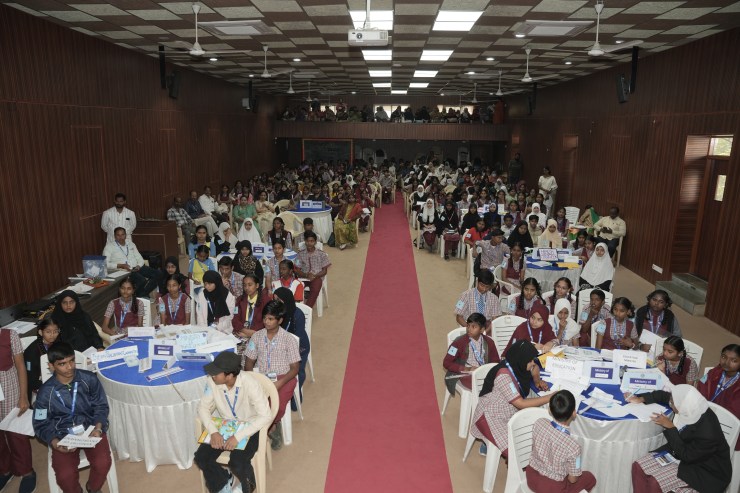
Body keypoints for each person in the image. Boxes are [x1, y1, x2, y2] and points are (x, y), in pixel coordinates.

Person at [33, 342, 111, 493]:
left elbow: (101, 406)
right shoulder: (44, 393)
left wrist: (98, 428)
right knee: (65, 476)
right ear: (51, 366)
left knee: (103, 463)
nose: (69, 367)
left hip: (90, 427)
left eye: (71, 361)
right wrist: (55, 442)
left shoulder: (89, 379)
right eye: (62, 364)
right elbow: (40, 423)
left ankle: (93, 488)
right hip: (62, 435)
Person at [628, 385, 731, 493]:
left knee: (655, 482)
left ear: (683, 405)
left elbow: (687, 456)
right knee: (638, 467)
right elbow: (665, 396)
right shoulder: (689, 407)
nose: (670, 404)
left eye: (672, 403)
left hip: (704, 471)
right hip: (681, 450)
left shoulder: (708, 433)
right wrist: (641, 398)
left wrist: (670, 427)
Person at [195, 351, 271, 493]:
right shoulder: (212, 382)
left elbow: (266, 415)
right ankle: (223, 483)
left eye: (216, 373)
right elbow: (202, 407)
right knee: (201, 458)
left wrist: (238, 436)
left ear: (229, 375)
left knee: (237, 462)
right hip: (226, 425)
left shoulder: (250, 384)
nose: (212, 375)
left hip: (250, 427)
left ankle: (249, 485)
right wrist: (214, 432)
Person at [470, 340, 551, 457]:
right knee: (518, 453)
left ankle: (491, 443)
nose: (533, 363)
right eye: (530, 361)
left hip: (509, 410)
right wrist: (550, 397)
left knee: (534, 439)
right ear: (521, 360)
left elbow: (535, 368)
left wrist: (537, 380)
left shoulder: (518, 364)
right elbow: (521, 403)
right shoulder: (504, 376)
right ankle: (489, 442)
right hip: (491, 415)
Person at [243, 301, 301, 451]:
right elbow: (249, 362)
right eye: (265, 318)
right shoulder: (256, 337)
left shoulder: (288, 339)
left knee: (276, 406)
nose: (266, 322)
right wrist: (251, 380)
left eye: (270, 319)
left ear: (280, 320)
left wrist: (280, 383)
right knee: (250, 403)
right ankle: (267, 425)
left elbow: (295, 369)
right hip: (262, 377)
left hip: (285, 377)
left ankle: (273, 425)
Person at [526, 390, 597, 492]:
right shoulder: (574, 448)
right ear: (574, 413)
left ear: (549, 410)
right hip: (553, 488)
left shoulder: (539, 423)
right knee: (590, 478)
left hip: (531, 478)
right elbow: (573, 479)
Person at [0, 325, 35, 493]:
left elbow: (21, 366)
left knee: (16, 432)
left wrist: (23, 396)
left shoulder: (10, 335)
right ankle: (5, 470)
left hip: (10, 387)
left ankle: (27, 472)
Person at [697, 344, 740, 450]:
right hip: (705, 414)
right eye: (724, 357)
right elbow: (701, 386)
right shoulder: (714, 372)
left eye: (734, 360)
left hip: (726, 425)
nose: (726, 362)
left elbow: (734, 413)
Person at [272, 288, 310, 399]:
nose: (276, 303)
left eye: (279, 300)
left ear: (286, 300)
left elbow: (297, 338)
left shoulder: (298, 315)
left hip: (299, 347)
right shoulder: (276, 312)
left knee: (297, 371)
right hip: (280, 346)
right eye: (274, 299)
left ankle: (295, 397)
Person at [102, 227, 162, 297]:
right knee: (141, 280)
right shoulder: (109, 247)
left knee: (159, 274)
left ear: (126, 235)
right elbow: (105, 263)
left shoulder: (131, 244)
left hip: (137, 267)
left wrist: (138, 265)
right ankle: (141, 296)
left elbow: (140, 258)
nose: (120, 237)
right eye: (118, 235)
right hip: (123, 271)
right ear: (114, 236)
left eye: (122, 234)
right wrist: (120, 265)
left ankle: (141, 294)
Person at [24, 318, 60, 401]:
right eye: (48, 332)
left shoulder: (58, 344)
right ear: (40, 332)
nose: (52, 335)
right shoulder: (31, 352)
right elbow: (31, 381)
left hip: (55, 379)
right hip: (40, 386)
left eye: (55, 331)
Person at [232, 273, 271, 349]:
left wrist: (253, 333)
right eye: (244, 285)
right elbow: (235, 320)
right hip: (241, 334)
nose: (247, 288)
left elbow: (267, 322)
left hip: (259, 336)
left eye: (250, 285)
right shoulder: (240, 300)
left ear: (257, 285)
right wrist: (246, 331)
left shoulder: (266, 301)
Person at [294, 232, 331, 308]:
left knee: (315, 289)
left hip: (317, 277)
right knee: (295, 286)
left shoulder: (322, 254)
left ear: (315, 242)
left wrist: (314, 276)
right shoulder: (300, 254)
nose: (309, 243)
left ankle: (307, 309)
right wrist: (306, 275)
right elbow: (297, 270)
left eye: (312, 241)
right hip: (303, 276)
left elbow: (324, 271)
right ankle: (297, 308)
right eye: (307, 241)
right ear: (305, 241)